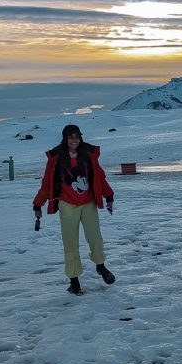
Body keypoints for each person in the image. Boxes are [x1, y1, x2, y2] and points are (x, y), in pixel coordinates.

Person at [33, 123, 115, 294]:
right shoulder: (56, 159)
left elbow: (99, 178)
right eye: (70, 137)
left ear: (80, 138)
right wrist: (37, 204)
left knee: (95, 238)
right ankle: (74, 280)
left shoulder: (88, 155)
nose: (74, 140)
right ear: (65, 138)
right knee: (70, 244)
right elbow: (46, 184)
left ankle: (101, 266)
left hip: (88, 203)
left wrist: (109, 196)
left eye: (76, 136)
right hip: (67, 204)